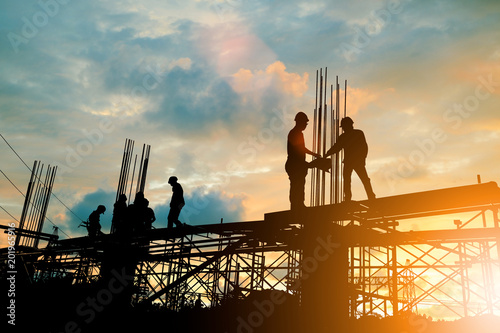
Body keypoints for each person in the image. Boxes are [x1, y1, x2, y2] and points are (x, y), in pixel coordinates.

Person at [324, 117, 376, 201]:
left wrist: (363, 159)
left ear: (349, 125)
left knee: (362, 179)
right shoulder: (346, 136)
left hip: (356, 161)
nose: (343, 129)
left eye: (344, 126)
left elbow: (364, 147)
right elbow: (336, 147)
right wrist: (327, 153)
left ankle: (370, 196)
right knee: (349, 180)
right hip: (351, 161)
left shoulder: (357, 134)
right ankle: (350, 197)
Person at [285, 111, 324, 210]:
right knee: (296, 185)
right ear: (299, 122)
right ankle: (295, 206)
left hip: (297, 164)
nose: (306, 125)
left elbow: (301, 148)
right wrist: (314, 155)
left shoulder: (296, 133)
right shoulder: (295, 133)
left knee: (299, 184)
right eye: (305, 123)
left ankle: (298, 205)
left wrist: (312, 157)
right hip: (295, 165)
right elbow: (300, 149)